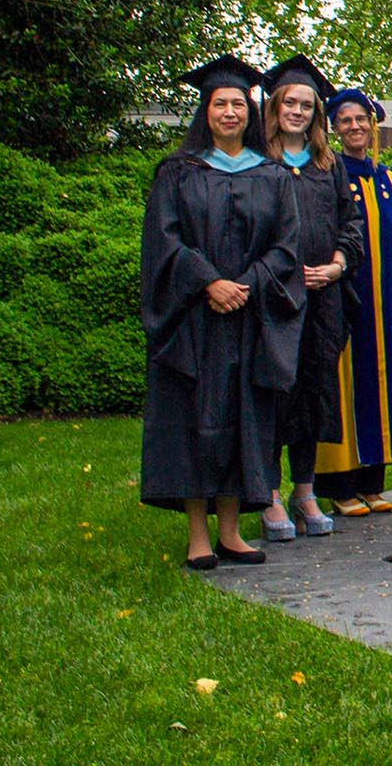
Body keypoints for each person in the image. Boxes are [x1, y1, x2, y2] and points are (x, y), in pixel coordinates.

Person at [140, 55, 303, 568]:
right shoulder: (178, 172)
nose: (230, 112)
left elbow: (286, 247)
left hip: (250, 316)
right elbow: (163, 242)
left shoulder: (274, 175)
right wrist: (209, 281)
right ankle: (197, 535)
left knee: (243, 419)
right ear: (205, 111)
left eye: (238, 103)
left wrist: (247, 285)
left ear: (250, 113)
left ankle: (231, 531)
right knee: (193, 417)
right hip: (193, 319)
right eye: (220, 104)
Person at [257, 55, 364, 540]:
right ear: (275, 107)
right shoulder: (259, 163)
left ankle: (305, 490)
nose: (298, 112)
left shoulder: (329, 165)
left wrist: (339, 264)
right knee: (274, 395)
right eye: (290, 103)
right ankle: (269, 495)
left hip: (323, 300)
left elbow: (352, 225)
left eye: (307, 105)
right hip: (275, 300)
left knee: (312, 396)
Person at [312, 88, 392, 517]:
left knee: (383, 386)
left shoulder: (390, 181)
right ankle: (339, 486)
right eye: (345, 121)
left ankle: (371, 482)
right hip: (345, 299)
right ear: (334, 128)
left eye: (361, 119)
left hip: (388, 303)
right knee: (344, 387)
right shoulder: (328, 173)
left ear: (373, 124)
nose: (355, 127)